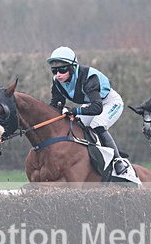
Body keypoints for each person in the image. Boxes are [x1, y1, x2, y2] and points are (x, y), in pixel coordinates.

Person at [46, 46, 129, 175]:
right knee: (76, 125)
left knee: (97, 124)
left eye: (62, 69)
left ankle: (118, 161)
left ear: (72, 67)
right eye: (54, 70)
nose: (58, 74)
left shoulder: (89, 78)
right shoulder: (57, 82)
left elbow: (97, 108)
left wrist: (74, 110)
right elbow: (56, 104)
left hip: (109, 103)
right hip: (91, 104)